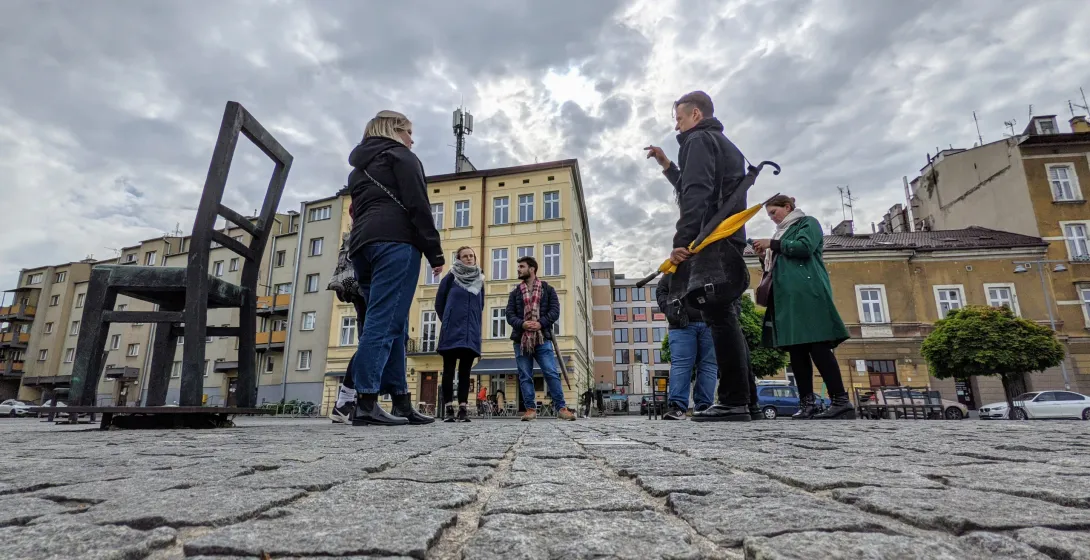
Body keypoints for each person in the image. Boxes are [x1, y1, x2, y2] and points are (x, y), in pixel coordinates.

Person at [645, 91, 752, 422]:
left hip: (710, 241)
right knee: (727, 316)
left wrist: (682, 241)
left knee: (720, 318)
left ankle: (734, 400)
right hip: (727, 237)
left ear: (695, 114)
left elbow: (697, 192)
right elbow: (695, 183)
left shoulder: (697, 140)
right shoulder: (722, 143)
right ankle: (749, 401)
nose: (676, 126)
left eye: (678, 118)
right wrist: (666, 165)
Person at [345, 110, 444, 426]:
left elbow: (356, 213)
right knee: (384, 321)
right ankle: (366, 402)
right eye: (409, 132)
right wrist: (435, 252)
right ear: (395, 130)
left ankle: (400, 400)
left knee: (394, 323)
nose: (412, 140)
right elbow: (418, 205)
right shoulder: (402, 158)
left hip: (362, 247)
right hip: (395, 243)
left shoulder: (359, 170)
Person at [751, 195, 853, 419]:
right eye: (769, 215)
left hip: (808, 294)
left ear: (787, 207)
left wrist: (773, 244)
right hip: (786, 298)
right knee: (796, 351)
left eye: (774, 212)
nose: (772, 219)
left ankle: (840, 400)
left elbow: (805, 247)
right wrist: (764, 255)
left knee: (818, 347)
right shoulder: (781, 234)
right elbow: (777, 265)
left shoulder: (808, 223)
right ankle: (807, 403)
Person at [505, 256, 576, 421]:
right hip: (521, 340)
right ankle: (530, 409)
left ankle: (561, 408)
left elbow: (555, 311)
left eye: (521, 266)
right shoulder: (515, 293)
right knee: (524, 375)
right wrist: (522, 324)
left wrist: (540, 323)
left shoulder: (547, 289)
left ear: (532, 269)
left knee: (551, 372)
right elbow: (509, 315)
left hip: (542, 338)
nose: (518, 269)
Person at [656, 273, 717, 420]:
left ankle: (703, 406)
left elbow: (730, 286)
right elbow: (662, 289)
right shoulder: (677, 263)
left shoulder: (713, 259)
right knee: (683, 364)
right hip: (681, 322)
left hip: (711, 320)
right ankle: (678, 407)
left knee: (708, 365)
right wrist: (669, 309)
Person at [435, 246, 485, 423]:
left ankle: (463, 409)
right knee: (448, 370)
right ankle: (448, 408)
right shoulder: (450, 278)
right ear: (458, 259)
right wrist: (448, 320)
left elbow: (481, 306)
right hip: (451, 331)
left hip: (470, 333)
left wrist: (473, 324)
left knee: (465, 371)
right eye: (465, 256)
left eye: (472, 256)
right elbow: (439, 303)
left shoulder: (479, 280)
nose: (470, 259)